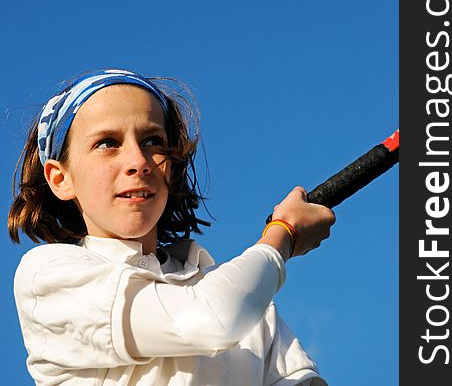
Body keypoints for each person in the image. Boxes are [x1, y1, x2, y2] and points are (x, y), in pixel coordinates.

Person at [9, 68, 336, 386]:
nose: (138, 161)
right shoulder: (46, 277)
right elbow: (211, 320)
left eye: (152, 140)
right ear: (60, 178)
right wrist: (284, 234)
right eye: (108, 143)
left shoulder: (254, 302)